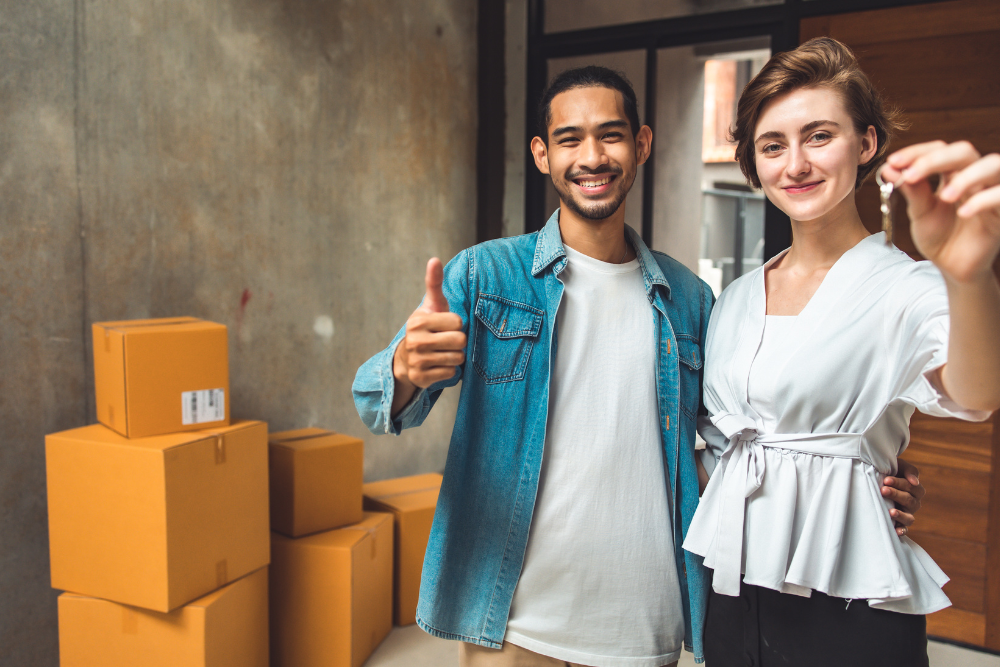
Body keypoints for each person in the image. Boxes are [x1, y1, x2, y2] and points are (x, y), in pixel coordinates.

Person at [354, 65, 923, 667]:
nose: (591, 156)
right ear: (543, 155)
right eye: (569, 139)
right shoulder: (484, 276)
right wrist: (407, 367)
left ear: (642, 145)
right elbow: (376, 401)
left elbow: (737, 437)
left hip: (641, 622)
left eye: (611, 135)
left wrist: (867, 470)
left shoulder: (692, 299)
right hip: (516, 620)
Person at [682, 37, 1000, 667]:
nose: (795, 164)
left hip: (846, 596)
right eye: (773, 146)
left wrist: (968, 277)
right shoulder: (735, 297)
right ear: (753, 165)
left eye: (819, 136)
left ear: (868, 143)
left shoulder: (907, 286)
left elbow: (977, 391)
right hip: (731, 589)